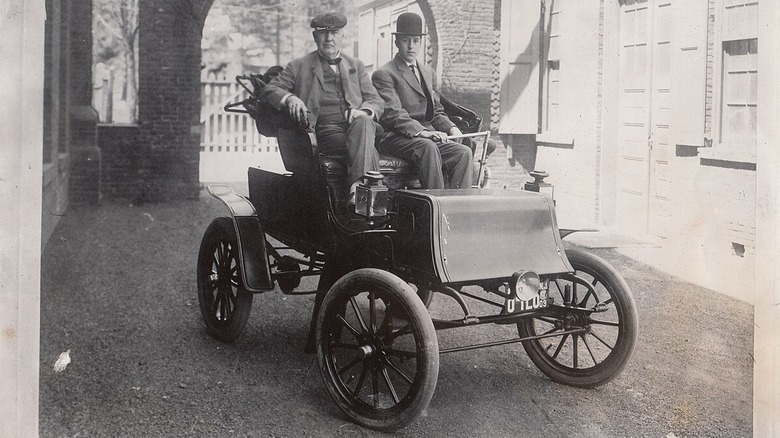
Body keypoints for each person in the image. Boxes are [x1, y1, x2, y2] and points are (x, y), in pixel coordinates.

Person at [258, 12, 384, 203]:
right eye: (323, 33)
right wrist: (290, 98)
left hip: (358, 128)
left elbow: (376, 100)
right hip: (326, 131)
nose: (329, 38)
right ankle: (368, 194)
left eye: (334, 32)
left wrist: (363, 110)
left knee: (364, 122)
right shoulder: (299, 66)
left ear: (342, 35)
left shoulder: (356, 66)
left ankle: (358, 189)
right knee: (369, 148)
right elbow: (269, 90)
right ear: (315, 36)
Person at [371, 12, 472, 189]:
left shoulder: (427, 72)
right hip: (395, 136)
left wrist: (452, 128)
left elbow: (436, 111)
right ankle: (437, 208)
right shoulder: (384, 74)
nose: (411, 46)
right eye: (405, 40)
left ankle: (458, 207)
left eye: (416, 40)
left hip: (425, 137)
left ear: (421, 42)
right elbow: (394, 114)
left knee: (463, 153)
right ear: (396, 42)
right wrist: (424, 133)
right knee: (428, 147)